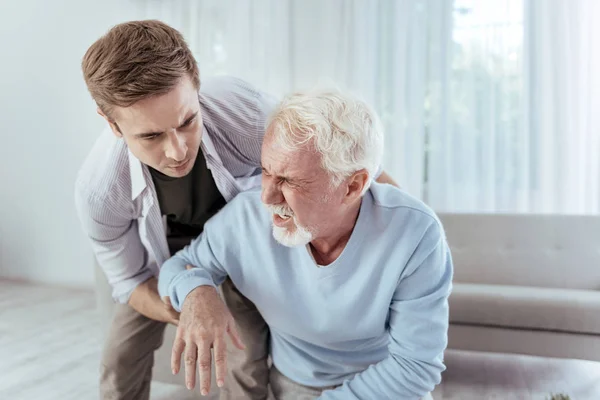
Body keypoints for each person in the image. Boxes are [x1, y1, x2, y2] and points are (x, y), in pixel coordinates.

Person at [75, 19, 397, 400]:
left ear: (197, 87)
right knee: (120, 360)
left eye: (188, 121)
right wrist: (194, 298)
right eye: (151, 135)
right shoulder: (99, 191)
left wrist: (404, 231)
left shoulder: (240, 109)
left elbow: (340, 163)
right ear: (111, 124)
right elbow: (130, 282)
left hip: (237, 248)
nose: (178, 151)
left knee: (243, 353)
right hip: (157, 267)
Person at [159, 88, 453, 399]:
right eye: (266, 172)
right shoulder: (245, 219)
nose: (267, 197)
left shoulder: (416, 232)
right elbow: (176, 266)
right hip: (295, 385)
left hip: (387, 386)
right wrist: (195, 290)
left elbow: (414, 367)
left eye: (289, 181)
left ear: (353, 186)